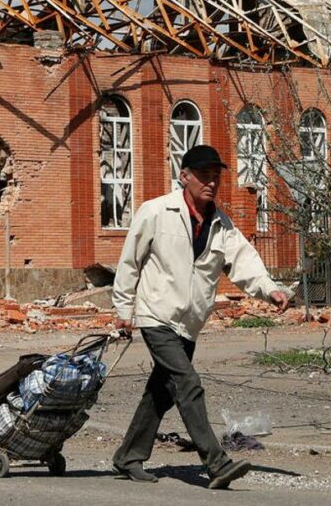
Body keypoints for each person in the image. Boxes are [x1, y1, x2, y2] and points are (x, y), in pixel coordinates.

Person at [111, 143, 291, 489]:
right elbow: (130, 263)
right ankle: (216, 462)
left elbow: (245, 262)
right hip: (155, 314)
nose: (211, 182)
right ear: (184, 177)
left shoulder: (221, 226)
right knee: (188, 384)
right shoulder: (156, 212)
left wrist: (271, 290)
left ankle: (127, 457)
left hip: (188, 323)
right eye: (204, 175)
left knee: (161, 393)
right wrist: (123, 310)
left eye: (216, 176)